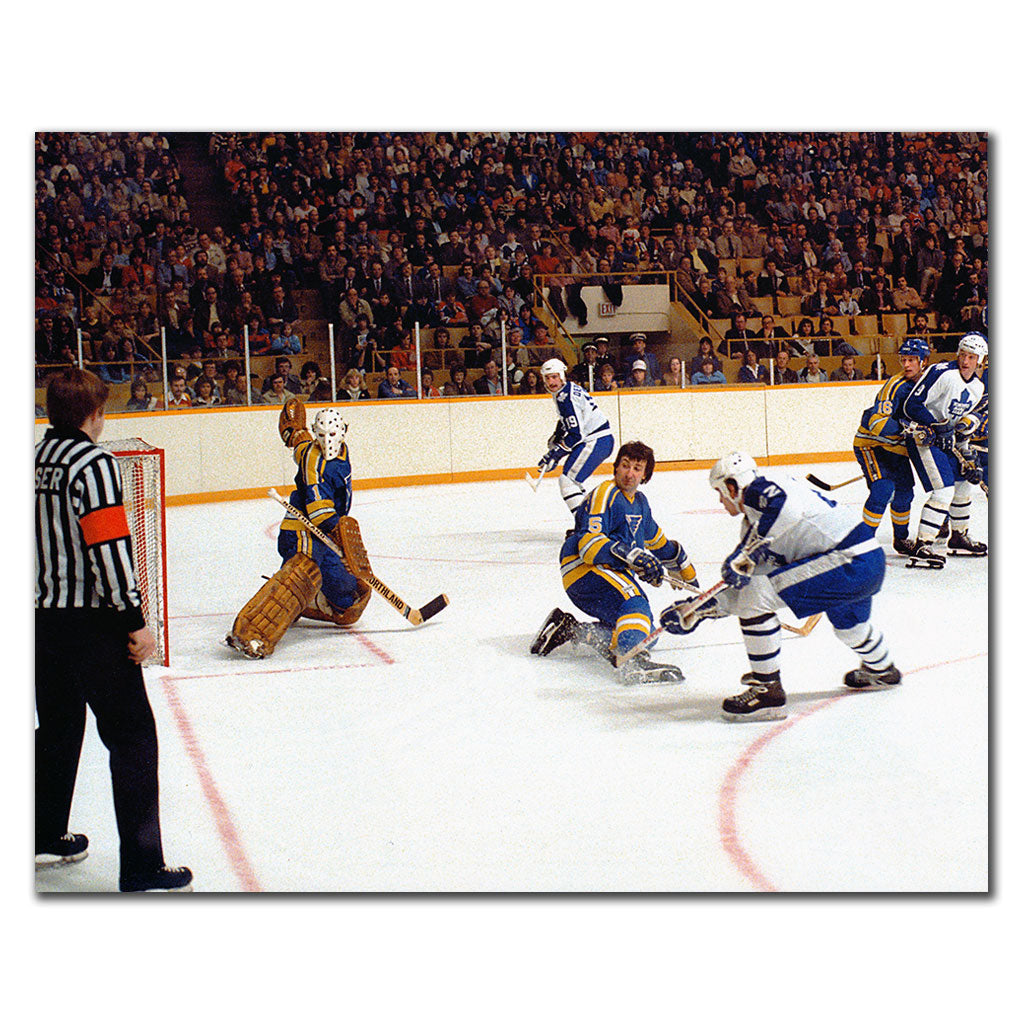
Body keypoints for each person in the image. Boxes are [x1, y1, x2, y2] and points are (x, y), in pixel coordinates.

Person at [35, 368, 192, 891]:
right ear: (94, 415)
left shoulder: (34, 461)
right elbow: (109, 548)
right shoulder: (94, 463)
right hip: (93, 627)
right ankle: (143, 865)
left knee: (57, 730)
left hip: (42, 622)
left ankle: (42, 833)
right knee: (133, 737)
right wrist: (135, 621)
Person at [659, 451, 900, 721]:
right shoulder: (755, 524)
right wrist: (698, 610)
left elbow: (781, 506)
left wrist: (745, 556)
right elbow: (746, 584)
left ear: (731, 486)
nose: (720, 499)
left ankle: (768, 691)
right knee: (850, 629)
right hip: (865, 561)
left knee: (757, 597)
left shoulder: (758, 490)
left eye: (719, 491)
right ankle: (883, 669)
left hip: (848, 561)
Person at [530, 441, 697, 684]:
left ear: (645, 474)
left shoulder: (640, 503)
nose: (630, 474)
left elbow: (658, 543)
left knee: (646, 632)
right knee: (634, 601)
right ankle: (633, 661)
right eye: (625, 466)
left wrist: (683, 565)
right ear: (615, 468)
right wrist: (632, 556)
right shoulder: (605, 494)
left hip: (606, 574)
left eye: (637, 468)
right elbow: (588, 547)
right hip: (583, 568)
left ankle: (570, 630)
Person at [227, 402, 371, 659]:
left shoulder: (328, 451)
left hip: (324, 534)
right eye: (321, 435)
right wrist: (338, 534)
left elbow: (300, 445)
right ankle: (255, 634)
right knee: (303, 573)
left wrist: (295, 433)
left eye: (332, 435)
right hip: (303, 532)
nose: (327, 441)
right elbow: (319, 512)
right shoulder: (315, 462)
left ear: (343, 432)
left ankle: (306, 600)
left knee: (348, 604)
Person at [901, 332, 988, 567]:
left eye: (972, 356)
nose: (966, 361)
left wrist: (965, 451)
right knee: (943, 491)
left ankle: (958, 535)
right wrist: (936, 426)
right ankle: (923, 544)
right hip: (923, 437)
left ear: (980, 360)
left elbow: (958, 426)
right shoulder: (942, 372)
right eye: (963, 355)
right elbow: (912, 405)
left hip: (946, 441)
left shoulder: (977, 388)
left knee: (965, 483)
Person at [853, 337, 929, 555]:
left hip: (896, 449)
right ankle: (863, 542)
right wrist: (905, 428)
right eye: (903, 360)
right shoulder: (895, 387)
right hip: (872, 446)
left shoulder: (929, 385)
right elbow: (875, 422)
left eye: (912, 360)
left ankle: (901, 539)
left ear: (923, 361)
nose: (906, 365)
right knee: (883, 489)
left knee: (905, 493)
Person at [537, 357, 616, 514]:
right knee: (574, 482)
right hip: (598, 439)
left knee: (568, 482)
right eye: (547, 378)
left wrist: (555, 454)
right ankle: (594, 519)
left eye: (554, 376)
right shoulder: (567, 389)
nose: (551, 382)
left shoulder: (566, 398)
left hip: (596, 440)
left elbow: (576, 435)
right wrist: (559, 433)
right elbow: (572, 419)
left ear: (562, 376)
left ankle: (586, 525)